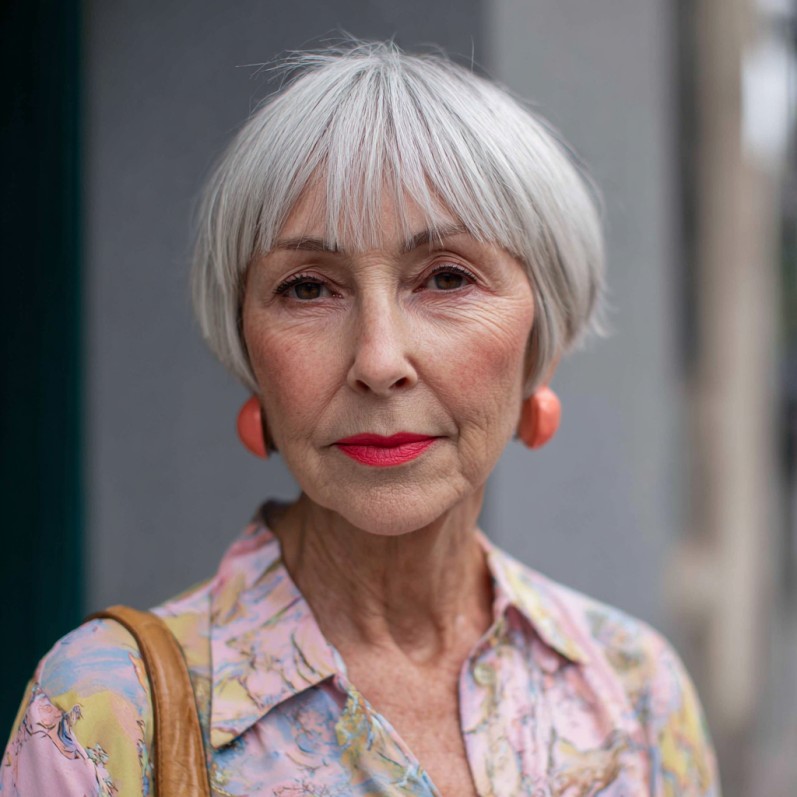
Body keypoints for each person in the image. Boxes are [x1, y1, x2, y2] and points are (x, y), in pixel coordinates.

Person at [2, 42, 720, 796]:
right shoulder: (102, 713)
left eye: (446, 277)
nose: (378, 360)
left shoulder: (633, 689)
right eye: (308, 288)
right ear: (249, 351)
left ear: (537, 341)